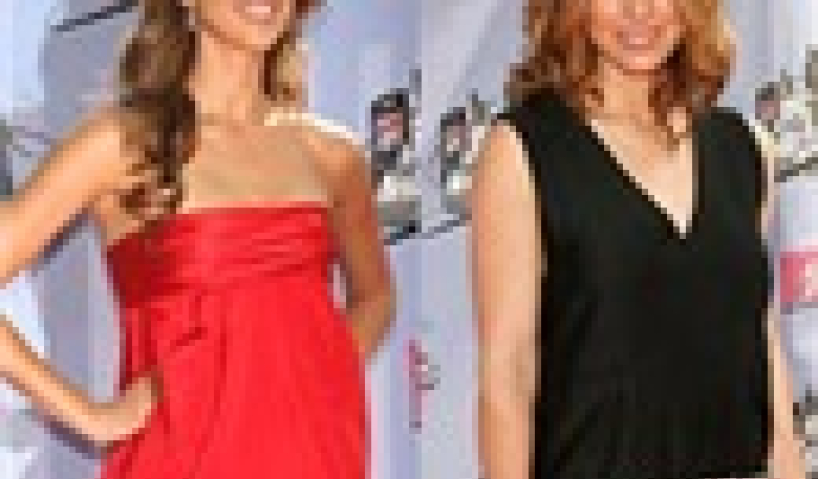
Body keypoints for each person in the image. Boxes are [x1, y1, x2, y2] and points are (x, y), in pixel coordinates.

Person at [0, 0, 394, 478]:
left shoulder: (332, 155)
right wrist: (93, 417)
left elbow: (375, 296)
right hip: (181, 456)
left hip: (315, 452)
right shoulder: (121, 144)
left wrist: (316, 370)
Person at [472, 1, 805, 478]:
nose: (640, 11)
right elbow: (508, 372)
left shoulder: (745, 148)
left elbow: (757, 338)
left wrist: (789, 466)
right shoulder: (522, 152)